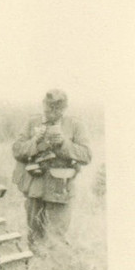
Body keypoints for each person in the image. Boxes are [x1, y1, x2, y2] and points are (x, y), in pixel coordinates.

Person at [11, 89, 91, 244]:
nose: (52, 112)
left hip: (59, 189)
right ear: (43, 105)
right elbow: (17, 150)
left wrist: (63, 143)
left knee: (56, 238)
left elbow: (86, 155)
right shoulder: (32, 123)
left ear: (64, 108)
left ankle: (57, 267)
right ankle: (37, 267)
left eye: (57, 108)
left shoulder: (75, 125)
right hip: (35, 188)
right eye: (49, 108)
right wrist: (35, 141)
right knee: (34, 236)